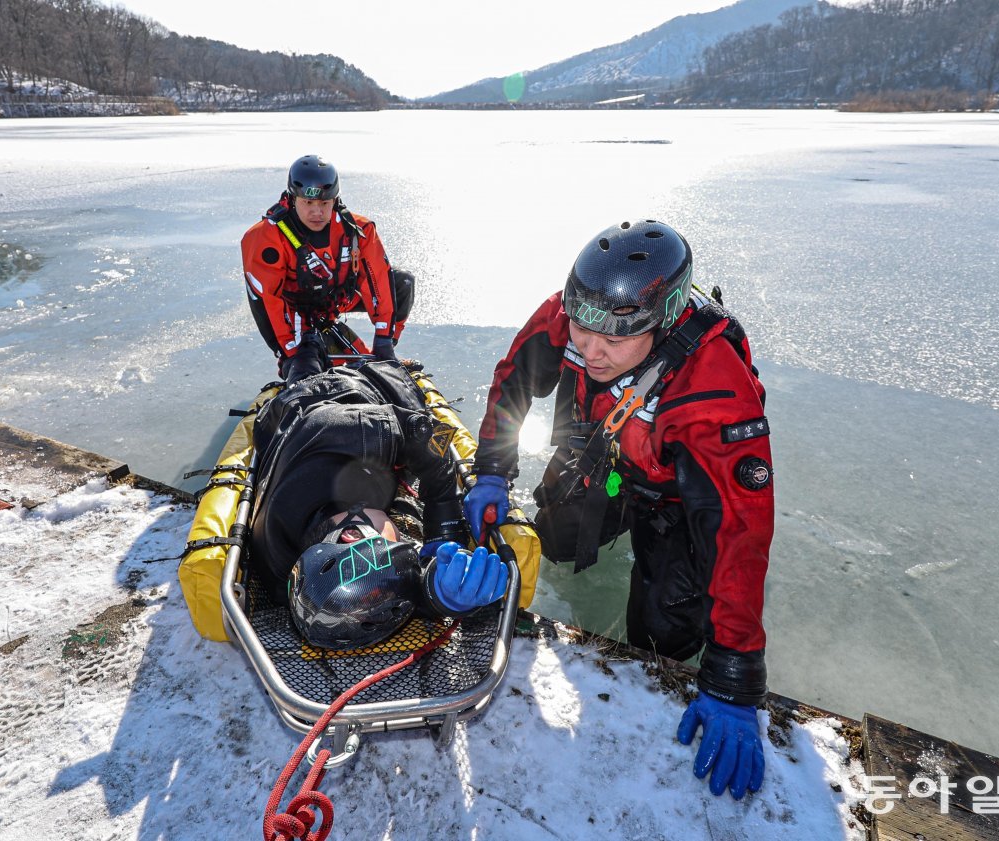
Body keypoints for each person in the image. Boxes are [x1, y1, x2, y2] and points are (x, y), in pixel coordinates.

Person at [462, 220, 773, 800]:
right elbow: (513, 384)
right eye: (582, 327)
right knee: (554, 540)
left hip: (678, 496)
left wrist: (735, 669)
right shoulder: (572, 315)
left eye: (614, 339)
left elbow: (737, 527)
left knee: (661, 637)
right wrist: (491, 469)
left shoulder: (714, 389)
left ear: (663, 321)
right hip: (600, 454)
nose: (590, 348)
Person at [249, 358, 507, 650]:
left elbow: (431, 435)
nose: (402, 533)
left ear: (352, 534)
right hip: (288, 428)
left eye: (397, 540)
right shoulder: (294, 580)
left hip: (342, 394)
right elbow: (370, 592)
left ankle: (309, 353)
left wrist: (443, 530)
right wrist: (436, 594)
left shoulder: (360, 432)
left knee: (308, 369)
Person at [241, 154, 414, 379]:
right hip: (296, 311)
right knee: (306, 370)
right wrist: (291, 353)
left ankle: (383, 352)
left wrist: (383, 340)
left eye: (324, 203)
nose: (317, 212)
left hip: (336, 299)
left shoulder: (359, 229)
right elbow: (267, 300)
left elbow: (377, 280)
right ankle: (300, 356)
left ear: (335, 200)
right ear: (293, 199)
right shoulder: (266, 236)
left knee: (403, 282)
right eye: (308, 203)